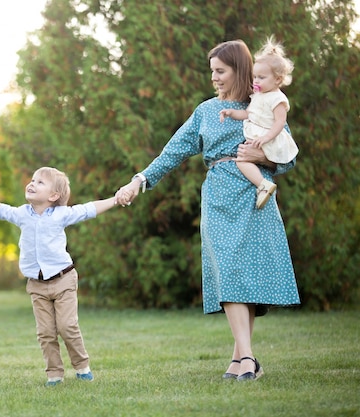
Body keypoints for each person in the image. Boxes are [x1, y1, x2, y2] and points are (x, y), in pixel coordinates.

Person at [115, 40, 300, 382]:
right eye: (212, 71)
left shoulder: (262, 105)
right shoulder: (205, 112)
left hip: (255, 194)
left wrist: (259, 158)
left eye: (220, 71)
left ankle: (240, 359)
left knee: (244, 275)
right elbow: (170, 153)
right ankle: (247, 357)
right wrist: (138, 181)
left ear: (240, 70)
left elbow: (287, 155)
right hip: (218, 198)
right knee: (228, 271)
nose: (213, 77)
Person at [0, 167, 120, 387]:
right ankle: (54, 374)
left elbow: (89, 209)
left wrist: (115, 199)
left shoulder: (61, 214)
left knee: (67, 326)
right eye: (32, 180)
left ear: (53, 196)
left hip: (64, 279)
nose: (32, 184)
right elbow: (1, 210)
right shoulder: (22, 214)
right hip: (37, 285)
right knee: (45, 332)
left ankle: (82, 367)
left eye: (40, 182)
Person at [220, 37, 298, 209]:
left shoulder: (277, 99)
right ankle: (263, 185)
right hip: (259, 137)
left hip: (269, 138)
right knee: (243, 157)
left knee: (241, 160)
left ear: (277, 80)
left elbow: (279, 123)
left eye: (261, 77)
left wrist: (266, 138)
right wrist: (232, 113)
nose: (256, 81)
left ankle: (264, 184)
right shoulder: (258, 97)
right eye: (255, 77)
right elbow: (249, 114)